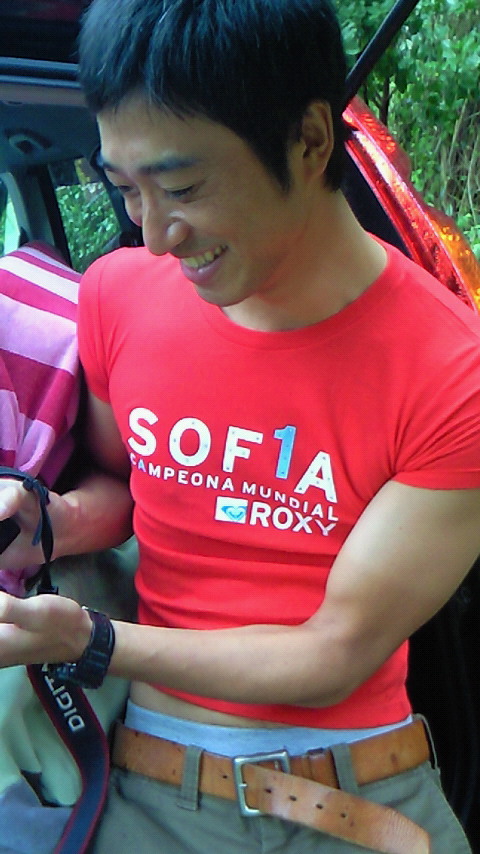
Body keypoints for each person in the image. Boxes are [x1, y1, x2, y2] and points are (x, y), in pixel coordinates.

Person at [0, 0, 480, 851]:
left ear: (309, 141)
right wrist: (48, 519)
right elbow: (127, 485)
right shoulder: (117, 296)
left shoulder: (452, 372)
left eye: (182, 188)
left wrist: (91, 641)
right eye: (124, 189)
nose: (154, 235)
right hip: (144, 794)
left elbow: (331, 654)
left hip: (356, 798)